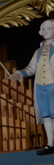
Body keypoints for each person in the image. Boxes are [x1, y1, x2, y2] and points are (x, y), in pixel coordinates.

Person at [9, 18, 54, 156]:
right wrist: (19, 74)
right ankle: (50, 143)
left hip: (53, 85)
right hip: (40, 86)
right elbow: (32, 68)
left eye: (49, 28)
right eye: (44, 29)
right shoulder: (38, 51)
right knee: (46, 115)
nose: (46, 31)